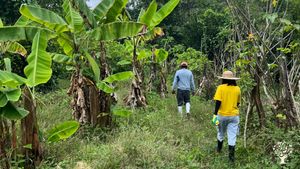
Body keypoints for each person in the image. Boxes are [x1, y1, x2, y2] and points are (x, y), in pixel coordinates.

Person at [213, 70, 241, 163]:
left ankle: (218, 150)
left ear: (223, 79)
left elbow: (218, 102)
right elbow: (238, 103)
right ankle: (231, 159)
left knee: (220, 133)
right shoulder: (237, 88)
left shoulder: (220, 88)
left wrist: (215, 114)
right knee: (232, 136)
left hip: (222, 115)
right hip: (234, 116)